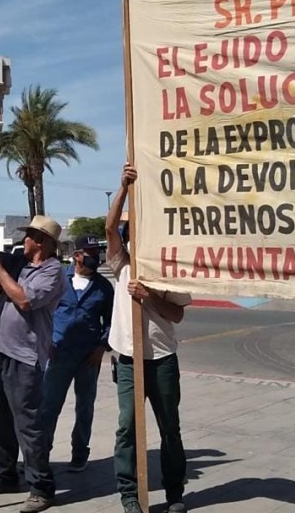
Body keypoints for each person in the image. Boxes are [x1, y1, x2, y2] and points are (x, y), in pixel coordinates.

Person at [105, 164, 191, 513]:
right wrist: (123, 187)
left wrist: (148, 297)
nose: (132, 238)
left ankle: (174, 493)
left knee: (169, 426)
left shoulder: (167, 271)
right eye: (130, 233)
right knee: (127, 426)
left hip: (162, 359)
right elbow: (109, 227)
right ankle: (129, 494)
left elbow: (177, 315)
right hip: (127, 359)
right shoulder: (120, 263)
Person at [0, 215, 65, 513]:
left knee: (28, 424)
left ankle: (41, 487)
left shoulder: (52, 272)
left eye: (28, 236)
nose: (23, 240)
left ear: (42, 243)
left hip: (22, 357)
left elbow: (23, 300)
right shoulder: (18, 264)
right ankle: (4, 476)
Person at [40, 235, 114, 472]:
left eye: (97, 252)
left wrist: (102, 347)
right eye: (90, 252)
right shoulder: (59, 278)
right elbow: (42, 312)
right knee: (49, 407)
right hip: (58, 355)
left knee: (85, 407)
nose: (95, 256)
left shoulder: (104, 287)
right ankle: (40, 455)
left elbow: (111, 322)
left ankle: (80, 453)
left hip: (88, 358)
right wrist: (45, 341)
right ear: (77, 255)